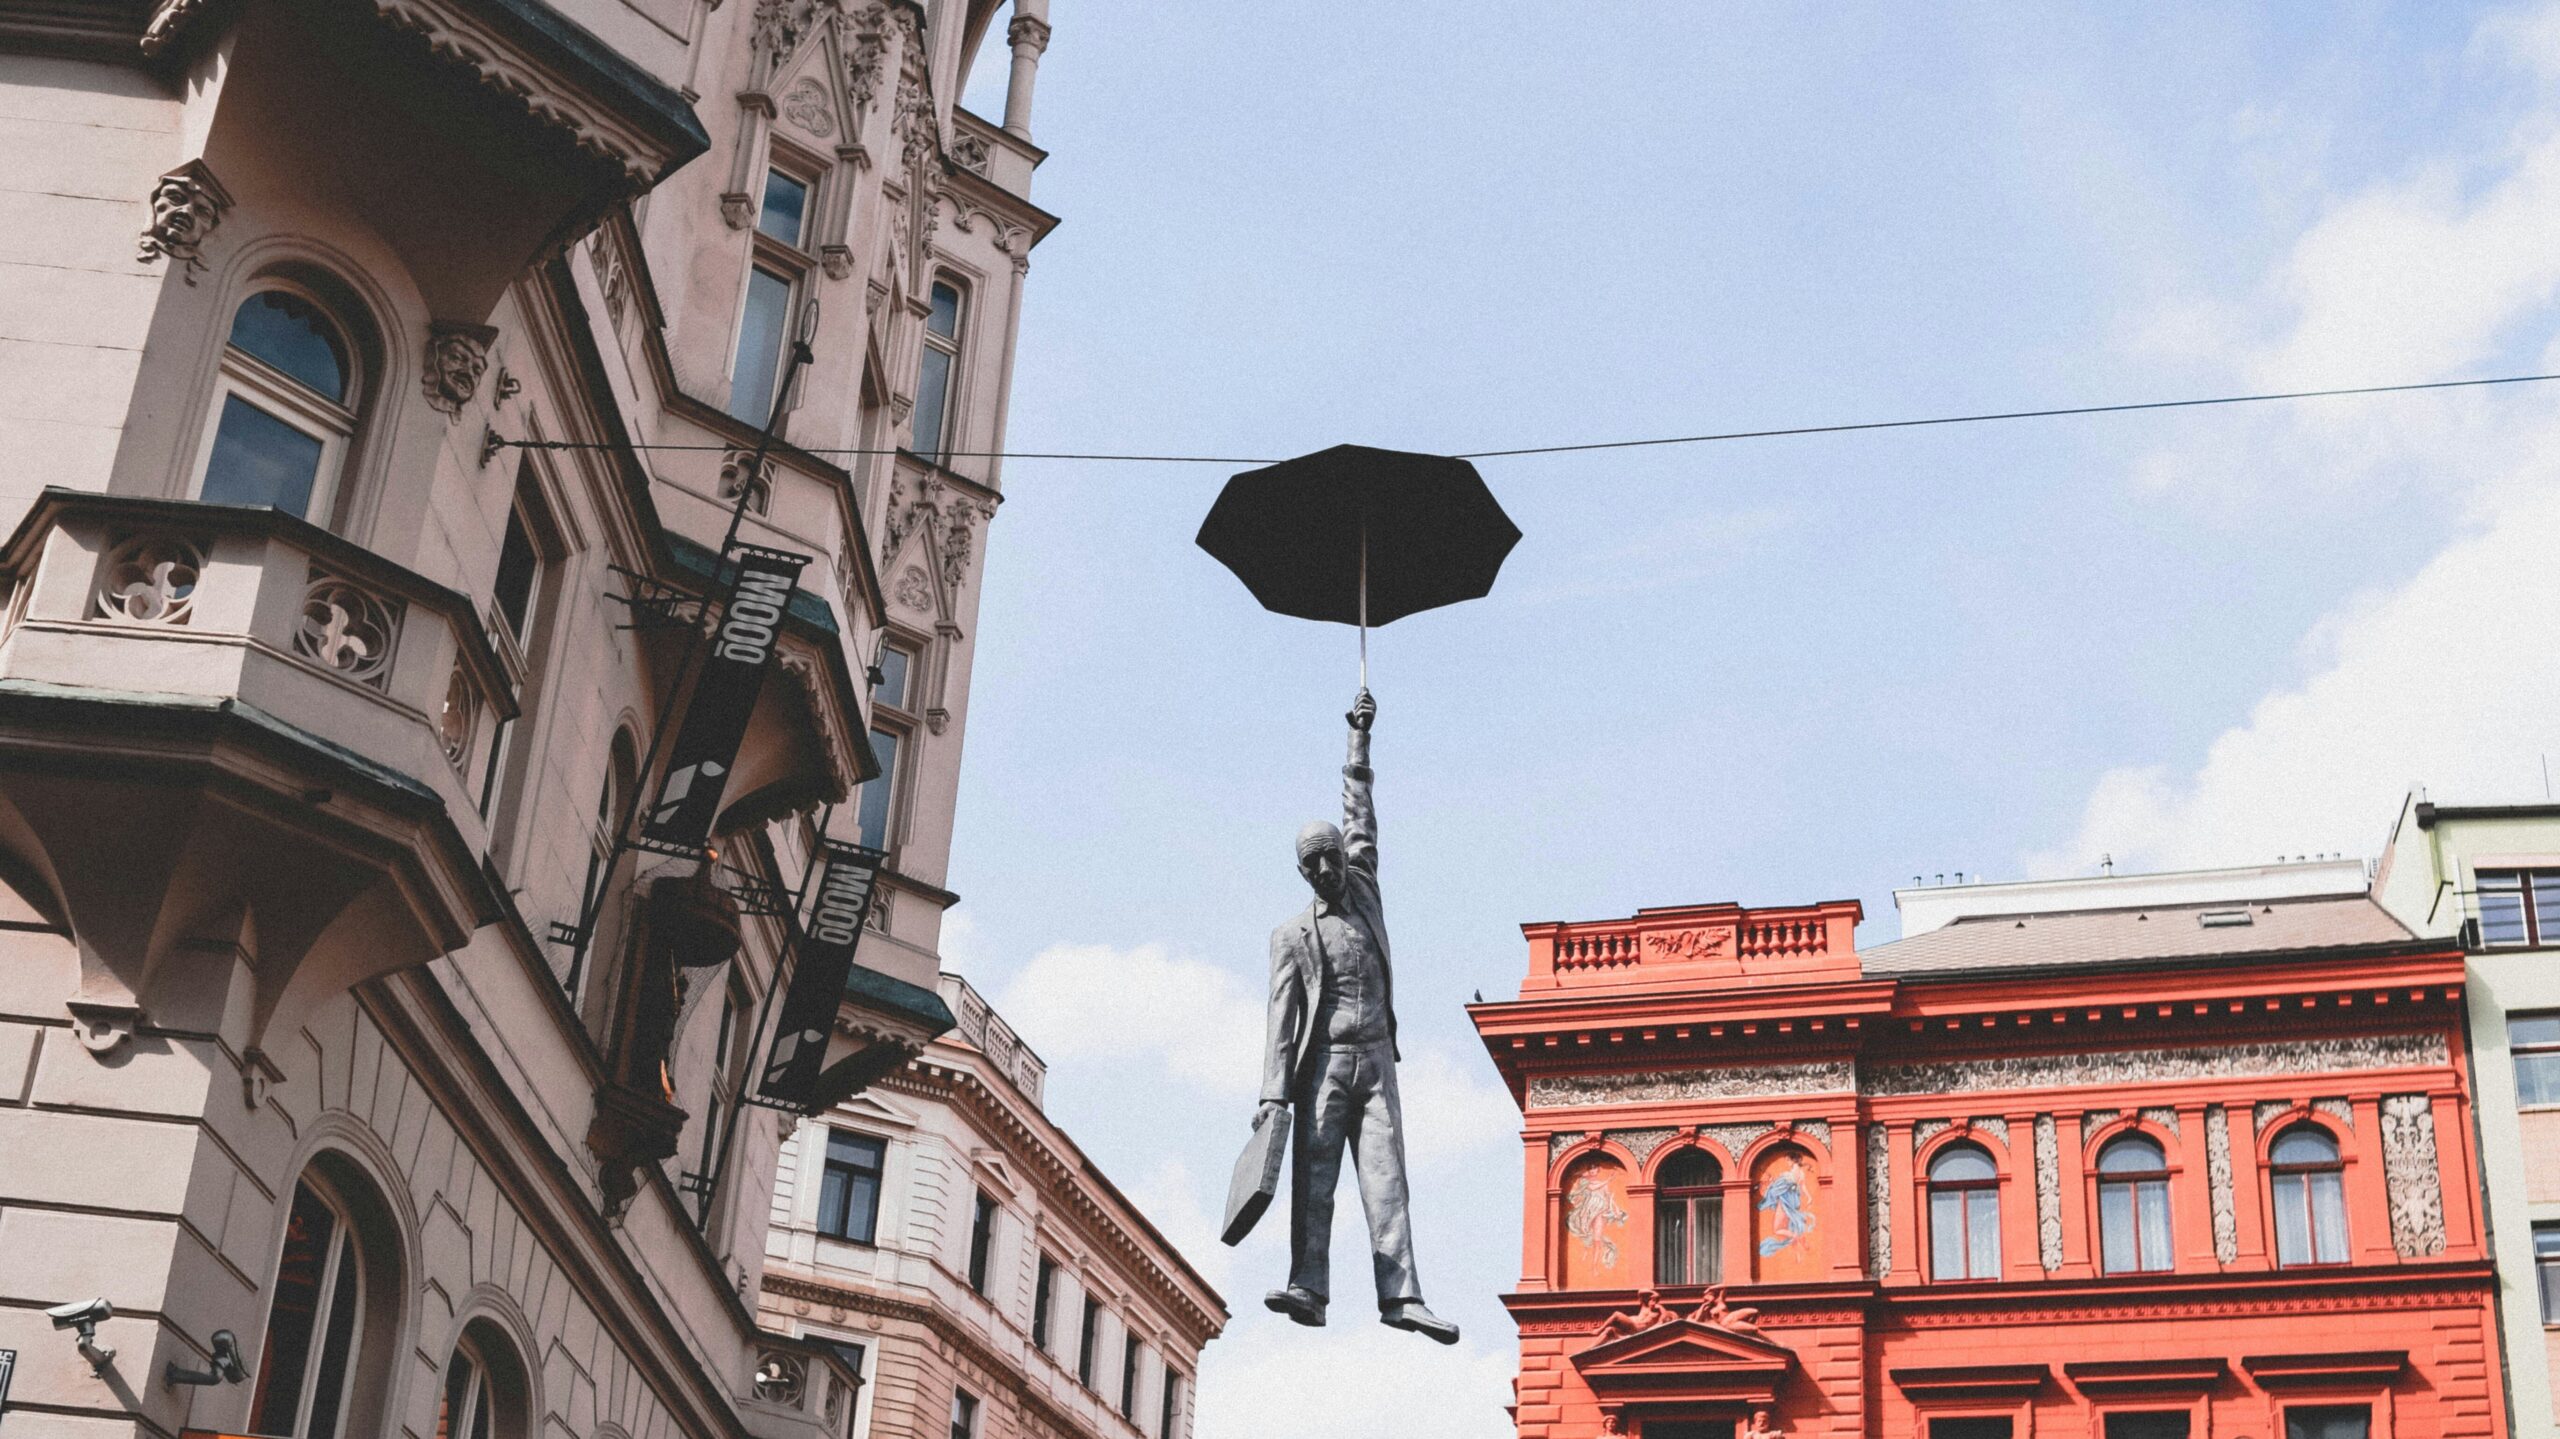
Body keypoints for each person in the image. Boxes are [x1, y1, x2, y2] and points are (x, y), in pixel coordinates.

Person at [1254, 689, 1458, 1344]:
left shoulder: (1365, 884)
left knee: (1387, 1180)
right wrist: (1272, 1095)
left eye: (1330, 855)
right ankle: (1309, 1288)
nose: (1324, 868)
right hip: (1322, 1068)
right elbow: (1280, 1022)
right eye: (1311, 862)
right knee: (1314, 1184)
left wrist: (1358, 740)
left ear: (1345, 855)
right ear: (1300, 871)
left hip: (1374, 1062)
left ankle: (1403, 1296)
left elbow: (1360, 809)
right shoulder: (1291, 936)